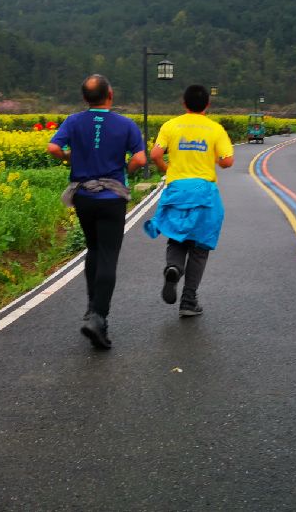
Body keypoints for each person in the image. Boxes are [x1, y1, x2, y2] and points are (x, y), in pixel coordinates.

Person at [47, 74, 146, 349]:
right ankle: (98, 318)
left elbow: (53, 147)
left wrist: (69, 158)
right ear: (110, 95)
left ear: (84, 98)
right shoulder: (126, 124)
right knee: (108, 255)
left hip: (83, 197)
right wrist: (128, 171)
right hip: (112, 196)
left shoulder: (74, 121)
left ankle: (92, 310)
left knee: (93, 249)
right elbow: (139, 158)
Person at [144, 84, 234, 317]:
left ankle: (174, 267)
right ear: (207, 105)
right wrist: (213, 157)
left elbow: (154, 154)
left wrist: (168, 168)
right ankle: (188, 300)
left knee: (176, 238)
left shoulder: (170, 126)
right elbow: (227, 161)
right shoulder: (215, 129)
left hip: (176, 189)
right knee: (199, 247)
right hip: (203, 191)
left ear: (184, 104)